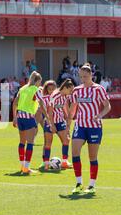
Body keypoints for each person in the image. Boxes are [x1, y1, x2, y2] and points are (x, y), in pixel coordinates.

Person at [69, 65, 111, 195]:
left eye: (85, 76)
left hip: (94, 127)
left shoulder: (98, 89)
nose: (83, 79)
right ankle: (78, 183)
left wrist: (99, 115)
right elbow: (73, 108)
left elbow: (107, 106)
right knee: (75, 152)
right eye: (81, 76)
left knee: (92, 157)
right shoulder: (76, 90)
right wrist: (67, 124)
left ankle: (92, 185)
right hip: (80, 125)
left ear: (91, 75)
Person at [12, 71, 52, 174]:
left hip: (20, 117)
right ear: (37, 81)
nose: (40, 84)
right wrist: (47, 116)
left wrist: (14, 117)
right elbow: (42, 103)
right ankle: (26, 168)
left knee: (22, 142)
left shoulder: (22, 88)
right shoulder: (36, 89)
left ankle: (22, 166)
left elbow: (15, 103)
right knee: (30, 143)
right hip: (28, 117)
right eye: (40, 82)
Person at [42, 79, 75, 170]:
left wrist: (67, 118)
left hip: (60, 121)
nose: (71, 92)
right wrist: (52, 125)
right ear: (65, 88)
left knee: (66, 140)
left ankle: (64, 162)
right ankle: (46, 164)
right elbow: (50, 111)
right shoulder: (55, 95)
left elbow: (64, 107)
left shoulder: (65, 96)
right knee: (48, 143)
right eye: (71, 90)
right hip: (50, 122)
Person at [38, 80, 58, 170]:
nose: (52, 91)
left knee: (66, 139)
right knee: (47, 141)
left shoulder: (59, 97)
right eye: (49, 89)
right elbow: (41, 108)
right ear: (47, 90)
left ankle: (65, 160)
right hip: (48, 121)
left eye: (53, 89)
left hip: (59, 121)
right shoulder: (44, 98)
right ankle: (44, 161)